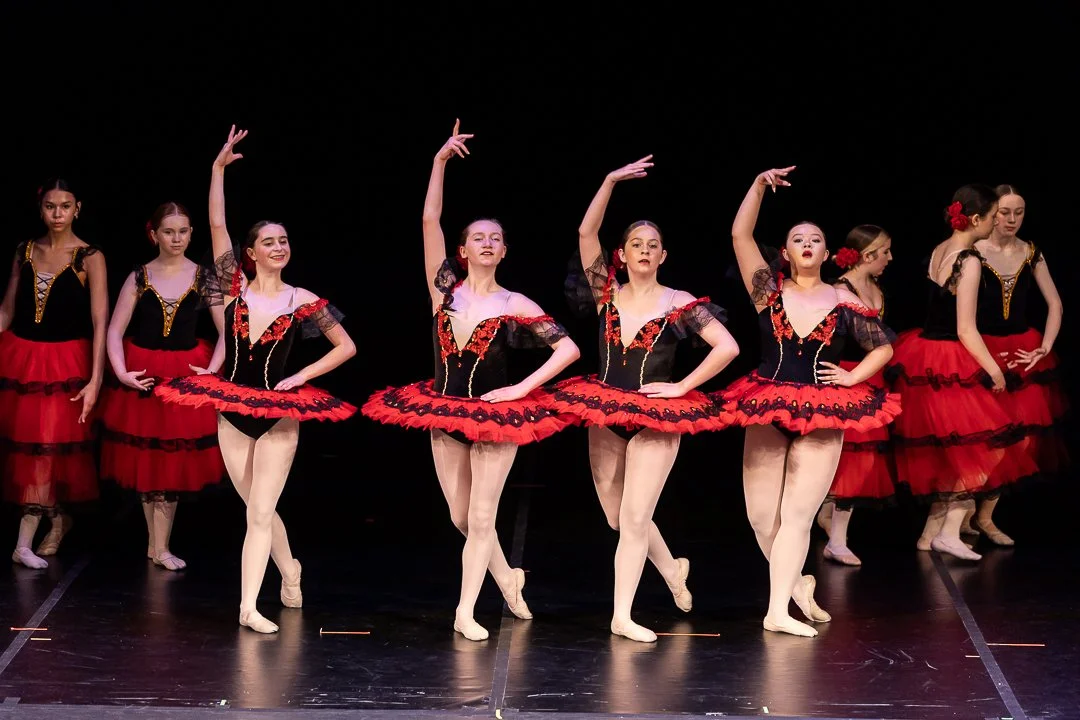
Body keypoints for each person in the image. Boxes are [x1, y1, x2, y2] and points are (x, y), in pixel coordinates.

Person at [362, 121, 581, 642]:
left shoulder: (514, 303)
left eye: (496, 238)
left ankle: (465, 609)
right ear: (463, 250)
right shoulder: (444, 292)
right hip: (443, 410)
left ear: (504, 251)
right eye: (478, 237)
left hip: (496, 418)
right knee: (462, 516)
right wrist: (438, 163)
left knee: (482, 518)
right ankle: (507, 575)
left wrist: (520, 390)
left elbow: (568, 348)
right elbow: (428, 219)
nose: (487, 243)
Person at [156, 126, 357, 633]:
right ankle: (290, 567)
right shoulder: (233, 287)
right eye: (268, 241)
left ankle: (248, 606)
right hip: (232, 406)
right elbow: (217, 225)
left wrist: (301, 377)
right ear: (251, 252)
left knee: (260, 513)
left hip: (280, 414)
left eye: (283, 241)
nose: (278, 247)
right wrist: (217, 170)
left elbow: (346, 347)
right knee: (254, 507)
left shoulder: (302, 299)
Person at [547, 155, 738, 643]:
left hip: (656, 416)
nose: (645, 251)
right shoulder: (606, 293)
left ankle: (622, 615)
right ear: (624, 254)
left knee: (634, 519)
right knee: (617, 516)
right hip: (605, 410)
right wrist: (609, 180)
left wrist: (683, 386)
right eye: (637, 244)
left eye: (653, 245)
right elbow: (586, 236)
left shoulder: (679, 301)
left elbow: (728, 347)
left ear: (663, 255)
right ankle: (672, 569)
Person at [719, 166, 900, 637]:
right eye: (797, 238)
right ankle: (797, 584)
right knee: (762, 517)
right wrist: (757, 185)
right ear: (785, 251)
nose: (806, 244)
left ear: (825, 251)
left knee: (798, 516)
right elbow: (741, 235)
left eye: (815, 239)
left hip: (823, 410)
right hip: (768, 403)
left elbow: (883, 345)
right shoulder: (767, 291)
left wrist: (852, 376)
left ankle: (777, 610)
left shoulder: (844, 300)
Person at [888, 184, 1036, 561]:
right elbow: (966, 328)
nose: (995, 222)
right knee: (988, 447)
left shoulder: (941, 248)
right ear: (975, 219)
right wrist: (994, 371)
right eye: (991, 216)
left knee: (954, 452)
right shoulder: (968, 259)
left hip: (925, 352)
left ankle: (930, 533)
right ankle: (950, 531)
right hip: (951, 358)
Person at [100, 202, 226, 570]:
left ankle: (161, 546)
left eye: (183, 231)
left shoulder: (204, 277)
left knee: (170, 462)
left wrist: (211, 372)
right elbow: (114, 328)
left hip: (182, 376)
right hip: (145, 374)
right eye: (168, 231)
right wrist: (121, 371)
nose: (176, 238)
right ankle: (156, 546)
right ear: (153, 233)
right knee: (148, 460)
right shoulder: (140, 276)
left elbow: (226, 331)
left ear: (191, 234)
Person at [0, 178, 108, 569]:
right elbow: (7, 311)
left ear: (77, 207)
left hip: (66, 364)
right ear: (40, 208)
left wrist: (96, 379)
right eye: (50, 206)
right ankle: (58, 519)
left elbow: (101, 321)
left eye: (65, 206)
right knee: (31, 448)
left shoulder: (89, 256)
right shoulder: (25, 250)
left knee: (44, 449)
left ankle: (23, 542)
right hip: (23, 359)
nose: (57, 214)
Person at [959, 184, 1067, 546]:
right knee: (980, 439)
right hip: (980, 349)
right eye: (1004, 212)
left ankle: (985, 516)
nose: (1011, 219)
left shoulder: (1030, 251)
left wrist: (1044, 346)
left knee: (1018, 441)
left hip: (1021, 351)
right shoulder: (973, 252)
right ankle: (956, 516)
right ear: (991, 213)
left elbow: (1055, 304)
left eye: (1019, 212)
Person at [815, 225, 896, 567]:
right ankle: (836, 539)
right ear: (867, 255)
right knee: (848, 460)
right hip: (845, 377)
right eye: (885, 252)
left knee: (859, 461)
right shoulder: (838, 290)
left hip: (869, 376)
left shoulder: (875, 286)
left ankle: (830, 524)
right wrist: (844, 376)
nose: (890, 258)